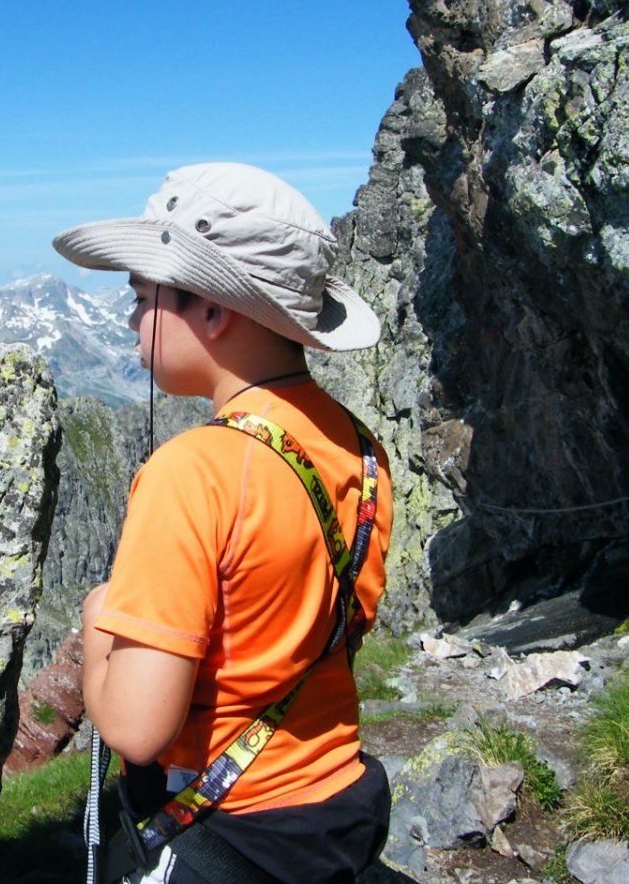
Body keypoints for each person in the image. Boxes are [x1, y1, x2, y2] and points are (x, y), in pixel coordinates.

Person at [52, 162, 394, 884]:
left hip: (228, 828)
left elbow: (138, 730)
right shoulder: (363, 450)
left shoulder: (192, 471)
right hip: (335, 806)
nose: (131, 316)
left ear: (213, 308)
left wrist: (96, 630)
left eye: (143, 296)